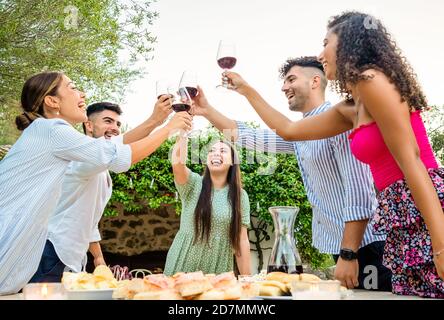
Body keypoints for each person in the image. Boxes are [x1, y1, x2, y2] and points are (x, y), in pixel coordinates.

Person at [223, 12, 444, 297]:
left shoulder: (372, 80)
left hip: (424, 209)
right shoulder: (349, 109)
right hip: (399, 214)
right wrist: (246, 90)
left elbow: (413, 162)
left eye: (326, 42)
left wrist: (440, 245)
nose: (321, 52)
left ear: (348, 43)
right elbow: (288, 130)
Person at [192, 56, 391, 291]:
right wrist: (206, 111)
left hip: (369, 247)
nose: (284, 87)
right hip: (347, 249)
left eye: (291, 79)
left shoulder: (340, 122)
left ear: (315, 81)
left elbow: (360, 193)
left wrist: (349, 254)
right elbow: (248, 136)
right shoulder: (300, 134)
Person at [0, 72, 191, 295]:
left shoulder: (49, 134)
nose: (82, 93)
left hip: (35, 248)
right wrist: (168, 128)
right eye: (72, 87)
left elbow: (116, 146)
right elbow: (120, 156)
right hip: (37, 247)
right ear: (52, 101)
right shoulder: (52, 130)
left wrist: (156, 121)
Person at [29, 99, 172, 283]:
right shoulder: (80, 158)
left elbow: (89, 219)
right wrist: (167, 127)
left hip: (71, 255)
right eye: (108, 121)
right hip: (53, 250)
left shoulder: (97, 167)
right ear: (88, 125)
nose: (115, 127)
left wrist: (98, 258)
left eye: (118, 123)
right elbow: (123, 153)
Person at [163, 134, 251, 276]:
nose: (216, 153)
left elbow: (242, 241)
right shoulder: (193, 184)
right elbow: (177, 163)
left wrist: (248, 281)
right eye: (211, 151)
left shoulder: (240, 196)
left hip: (218, 271)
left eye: (222, 151)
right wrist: (183, 132)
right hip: (181, 268)